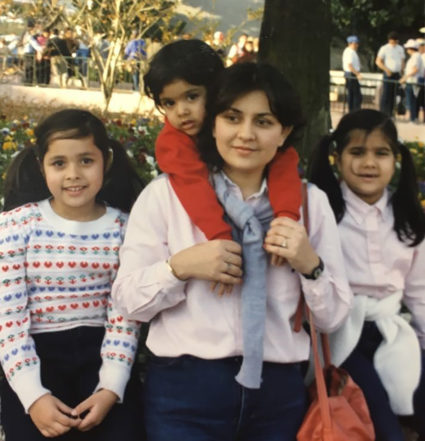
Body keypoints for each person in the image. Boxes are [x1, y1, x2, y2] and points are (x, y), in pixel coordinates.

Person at [112, 62, 352, 441]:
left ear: (284, 132)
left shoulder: (310, 204)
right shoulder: (166, 195)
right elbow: (127, 300)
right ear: (214, 123)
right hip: (185, 390)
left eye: (264, 121)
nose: (245, 134)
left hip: (277, 394)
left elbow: (334, 317)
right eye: (232, 117)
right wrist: (180, 267)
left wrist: (310, 265)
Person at [0, 109, 145, 441]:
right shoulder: (15, 225)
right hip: (35, 358)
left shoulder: (124, 228)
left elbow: (124, 316)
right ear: (42, 165)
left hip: (104, 356)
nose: (74, 175)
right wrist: (33, 396)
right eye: (59, 163)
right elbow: (8, 318)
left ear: (105, 161)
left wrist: (111, 387)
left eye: (85, 161)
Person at [309, 109, 425, 441]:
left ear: (396, 159)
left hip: (393, 332)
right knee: (382, 426)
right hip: (343, 336)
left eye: (381, 153)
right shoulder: (323, 210)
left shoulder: (407, 218)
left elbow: (419, 293)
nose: (369, 163)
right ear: (337, 157)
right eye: (357, 152)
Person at [143, 39, 303, 280]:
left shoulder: (238, 127)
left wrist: (286, 217)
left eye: (192, 97)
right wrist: (220, 236)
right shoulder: (174, 143)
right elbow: (193, 187)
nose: (182, 111)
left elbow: (285, 163)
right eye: (169, 103)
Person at [376, 31, 406, 116]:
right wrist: (386, 69)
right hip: (388, 73)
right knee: (386, 94)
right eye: (392, 42)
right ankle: (383, 112)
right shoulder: (384, 48)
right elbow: (378, 61)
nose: (394, 44)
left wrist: (402, 72)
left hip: (397, 73)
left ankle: (391, 113)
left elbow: (402, 61)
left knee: (394, 94)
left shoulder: (400, 48)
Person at [400, 39, 424, 123]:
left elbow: (415, 70)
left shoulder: (416, 57)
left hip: (412, 81)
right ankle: (413, 118)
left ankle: (413, 118)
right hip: (412, 81)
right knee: (412, 100)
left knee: (412, 100)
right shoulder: (416, 56)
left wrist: (405, 77)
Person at [342, 35, 362, 112]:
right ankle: (354, 111)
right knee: (355, 95)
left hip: (351, 74)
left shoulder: (352, 51)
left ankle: (353, 110)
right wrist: (357, 74)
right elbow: (350, 65)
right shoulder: (349, 52)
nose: (357, 45)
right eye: (355, 43)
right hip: (351, 74)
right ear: (350, 43)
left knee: (354, 95)